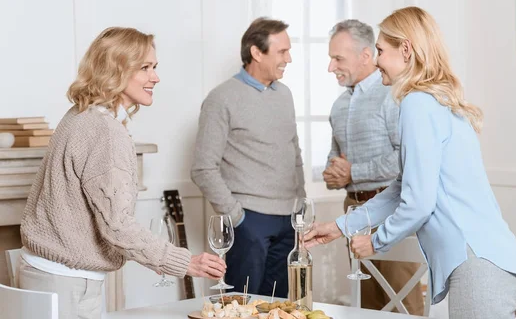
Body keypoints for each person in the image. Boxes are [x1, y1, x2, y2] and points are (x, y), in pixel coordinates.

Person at [305, 7, 516, 319]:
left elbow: (418, 203)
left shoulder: (417, 104)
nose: (377, 60)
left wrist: (375, 242)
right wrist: (340, 226)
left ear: (406, 50)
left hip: (477, 261)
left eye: (381, 51)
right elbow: (402, 189)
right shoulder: (430, 101)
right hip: (484, 260)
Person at [18, 27, 226, 319]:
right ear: (115, 69)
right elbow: (117, 227)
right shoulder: (106, 132)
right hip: (70, 285)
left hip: (40, 273)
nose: (155, 77)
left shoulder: (77, 115)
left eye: (154, 67)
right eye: (145, 68)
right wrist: (184, 262)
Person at [191, 17, 305, 298]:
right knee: (239, 305)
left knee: (278, 308)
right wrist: (237, 217)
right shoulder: (222, 98)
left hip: (288, 221)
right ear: (256, 52)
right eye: (282, 51)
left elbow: (295, 154)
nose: (288, 58)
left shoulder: (285, 95)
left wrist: (301, 205)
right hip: (249, 221)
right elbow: (203, 168)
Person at [323, 19, 424, 314]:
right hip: (353, 210)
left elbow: (404, 160)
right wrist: (334, 175)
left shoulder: (395, 96)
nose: (331, 67)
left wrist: (354, 172)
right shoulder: (339, 105)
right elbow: (336, 160)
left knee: (403, 303)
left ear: (366, 56)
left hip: (392, 211)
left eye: (337, 58)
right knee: (364, 306)